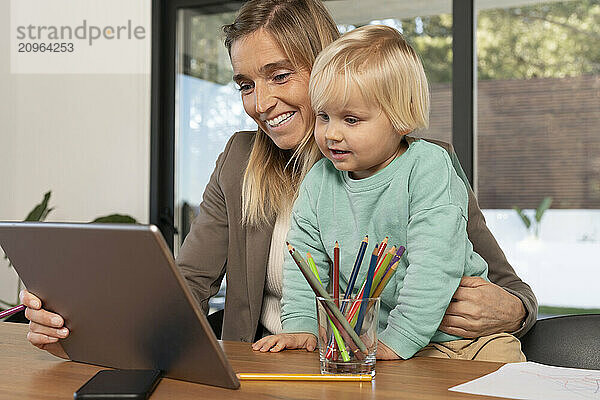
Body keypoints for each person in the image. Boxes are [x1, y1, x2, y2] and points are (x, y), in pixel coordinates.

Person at [21, 0, 536, 360]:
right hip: (278, 367)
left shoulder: (422, 165)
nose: (260, 103)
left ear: (329, 67)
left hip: (390, 364)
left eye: (280, 75)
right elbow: (188, 285)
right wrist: (84, 324)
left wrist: (510, 311)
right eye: (246, 84)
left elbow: (511, 288)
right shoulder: (239, 158)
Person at [252, 25, 526, 362]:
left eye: (351, 119)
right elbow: (304, 266)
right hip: (382, 345)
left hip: (463, 341)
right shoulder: (318, 181)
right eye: (323, 116)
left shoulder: (428, 167)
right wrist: (304, 327)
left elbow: (434, 264)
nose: (331, 133)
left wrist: (399, 339)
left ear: (401, 118)